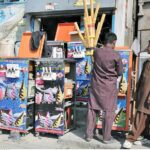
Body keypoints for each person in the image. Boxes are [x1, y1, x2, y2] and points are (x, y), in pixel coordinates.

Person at [85, 32, 123, 143]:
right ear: (114, 42)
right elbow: (120, 72)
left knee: (92, 109)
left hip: (96, 85)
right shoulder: (116, 55)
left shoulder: (96, 52)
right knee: (109, 111)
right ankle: (106, 138)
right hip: (109, 87)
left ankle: (88, 135)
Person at [123, 44, 150, 149]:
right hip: (143, 93)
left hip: (147, 96)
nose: (147, 47)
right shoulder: (147, 62)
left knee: (141, 116)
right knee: (143, 116)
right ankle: (143, 136)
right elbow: (142, 78)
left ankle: (131, 138)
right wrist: (136, 90)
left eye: (149, 46)